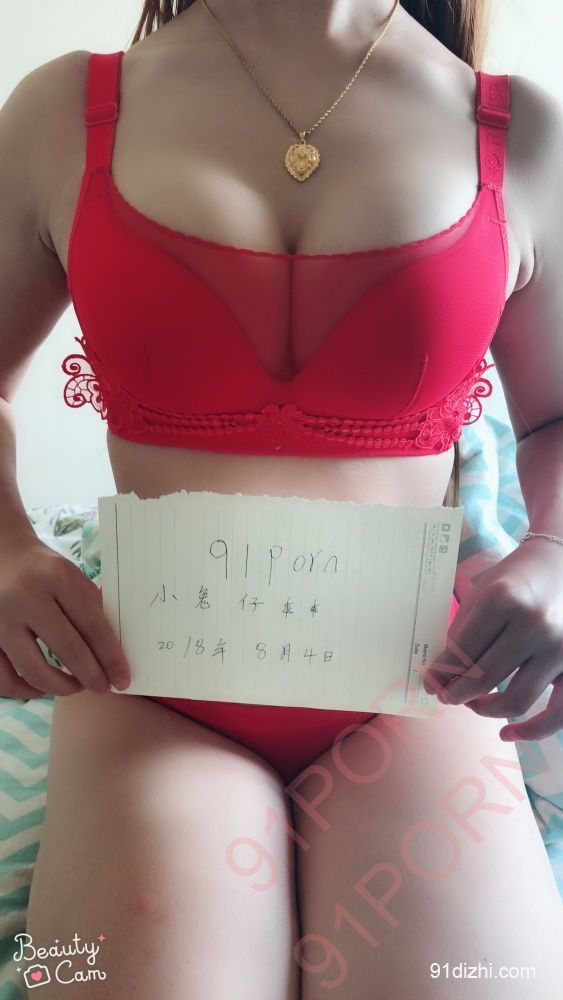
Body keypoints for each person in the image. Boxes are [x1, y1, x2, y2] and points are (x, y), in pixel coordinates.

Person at [1, 0, 563, 996]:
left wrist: (552, 552)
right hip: (150, 687)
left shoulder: (519, 134)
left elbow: (553, 416)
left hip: (416, 687)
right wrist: (4, 542)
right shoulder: (62, 114)